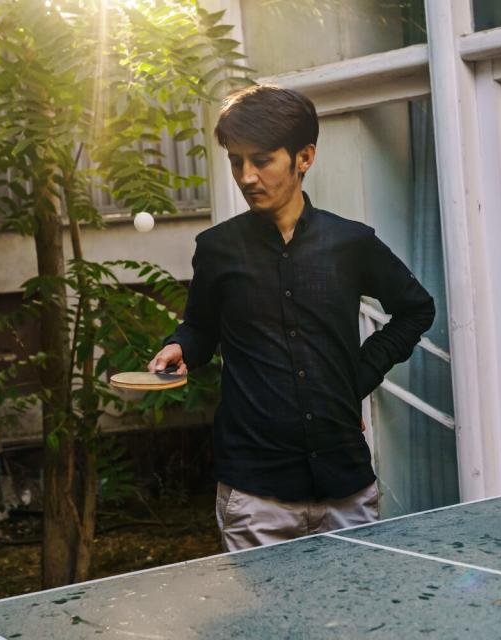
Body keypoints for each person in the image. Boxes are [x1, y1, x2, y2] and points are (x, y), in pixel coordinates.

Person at [148, 85, 435, 552]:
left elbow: (416, 308)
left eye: (261, 160)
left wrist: (355, 377)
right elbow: (200, 327)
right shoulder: (216, 249)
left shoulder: (351, 243)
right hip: (254, 495)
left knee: (354, 622)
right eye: (236, 161)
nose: (246, 176)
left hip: (346, 486)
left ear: (304, 157)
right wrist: (180, 346)